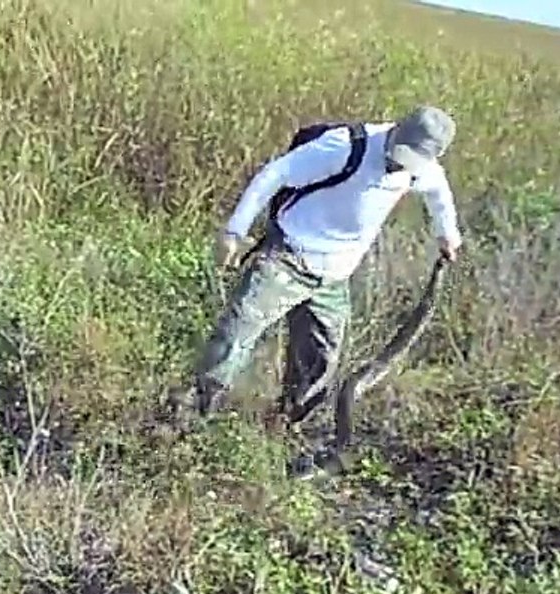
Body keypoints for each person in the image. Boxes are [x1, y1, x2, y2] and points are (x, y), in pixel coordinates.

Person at [173, 105, 464, 434]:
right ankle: (188, 418)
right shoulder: (344, 146)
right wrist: (233, 232)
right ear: (395, 130)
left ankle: (283, 425)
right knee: (235, 337)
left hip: (335, 275)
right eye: (399, 154)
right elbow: (275, 174)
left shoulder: (423, 170)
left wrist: (447, 236)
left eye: (409, 160)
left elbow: (439, 195)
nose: (398, 164)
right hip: (289, 255)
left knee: (319, 361)